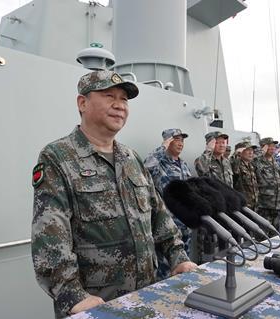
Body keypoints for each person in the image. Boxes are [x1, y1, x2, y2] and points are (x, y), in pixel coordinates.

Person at [31, 70, 197, 318]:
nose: (119, 106)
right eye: (109, 96)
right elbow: (50, 235)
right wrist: (72, 295)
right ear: (82, 103)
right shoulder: (58, 157)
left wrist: (178, 257)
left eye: (124, 99)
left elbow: (158, 215)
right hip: (97, 305)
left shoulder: (131, 158)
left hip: (146, 296)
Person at [144, 128, 193, 279]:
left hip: (185, 222)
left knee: (185, 264)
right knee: (165, 267)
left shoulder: (183, 165)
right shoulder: (159, 164)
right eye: (176, 139)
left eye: (182, 140)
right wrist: (162, 147)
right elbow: (146, 167)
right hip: (167, 225)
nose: (180, 143)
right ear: (168, 141)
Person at [253, 137, 280, 229]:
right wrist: (261, 152)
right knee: (263, 234)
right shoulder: (257, 161)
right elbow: (251, 160)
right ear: (263, 147)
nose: (273, 148)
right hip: (264, 204)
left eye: (274, 146)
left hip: (277, 203)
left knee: (275, 233)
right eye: (269, 146)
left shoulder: (275, 162)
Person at [232, 141, 259, 211]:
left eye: (252, 150)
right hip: (243, 206)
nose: (251, 153)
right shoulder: (236, 164)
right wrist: (237, 154)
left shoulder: (251, 166)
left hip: (254, 205)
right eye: (247, 150)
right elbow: (233, 163)